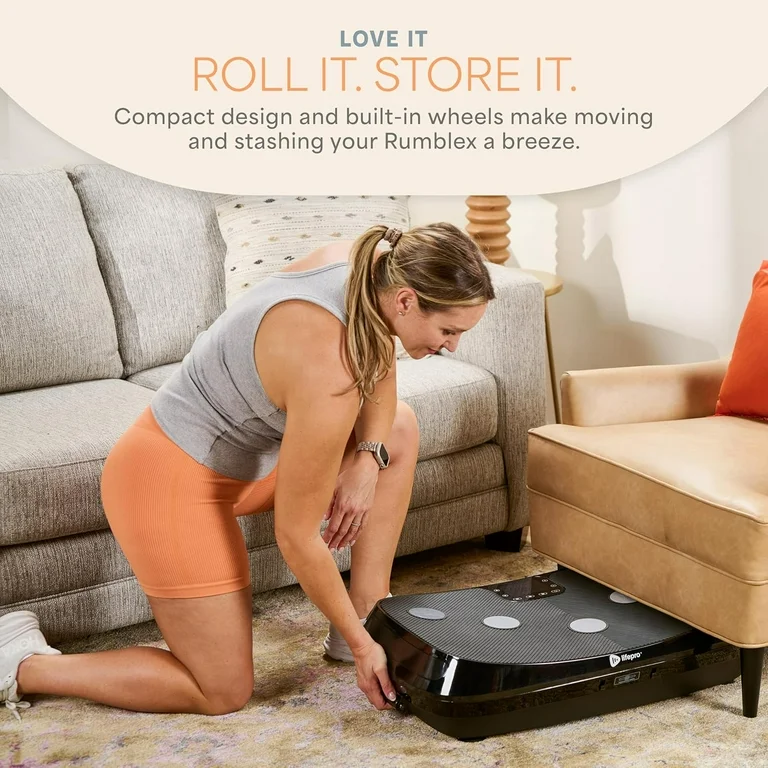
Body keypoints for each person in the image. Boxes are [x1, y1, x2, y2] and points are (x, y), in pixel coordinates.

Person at [0, 221, 495, 720]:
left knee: (397, 429)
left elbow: (379, 361)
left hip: (246, 469)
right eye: (448, 331)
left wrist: (367, 460)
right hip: (165, 480)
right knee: (220, 691)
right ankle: (24, 662)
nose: (452, 347)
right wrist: (366, 652)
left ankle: (371, 612)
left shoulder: (373, 266)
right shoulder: (327, 362)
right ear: (407, 301)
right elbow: (297, 537)